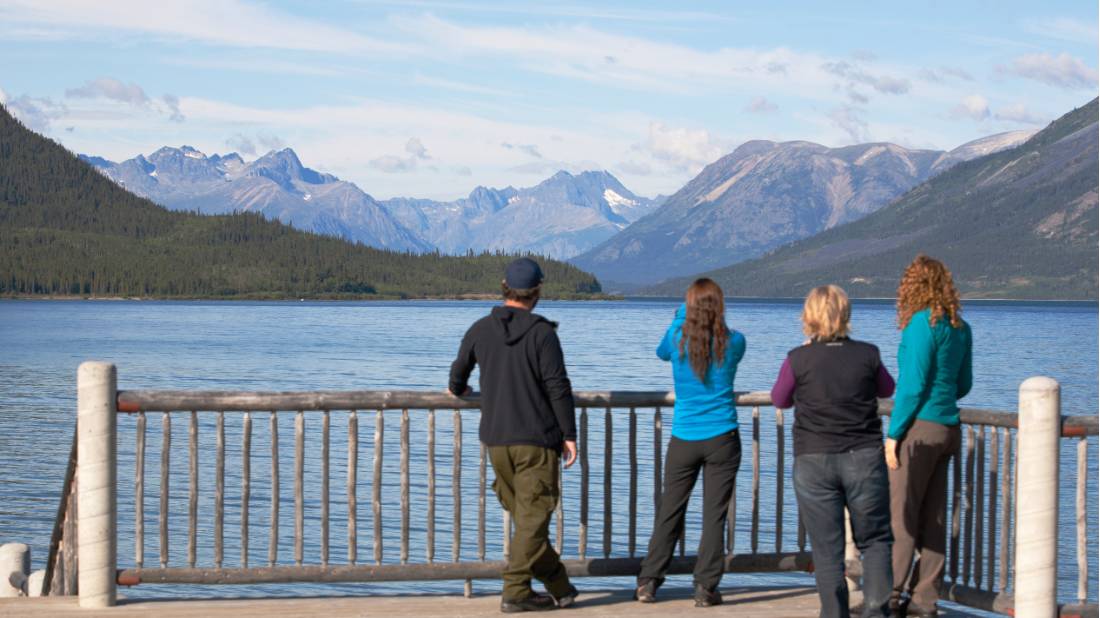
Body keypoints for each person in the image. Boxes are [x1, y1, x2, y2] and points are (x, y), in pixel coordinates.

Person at [448, 257, 579, 613]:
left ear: (505, 287)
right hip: (536, 440)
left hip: (496, 441)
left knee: (527, 520)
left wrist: (458, 389)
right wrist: (569, 434)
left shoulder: (480, 329)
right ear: (536, 292)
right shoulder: (542, 333)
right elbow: (558, 387)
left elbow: (458, 373)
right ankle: (516, 590)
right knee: (532, 519)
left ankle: (560, 587)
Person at [770, 285, 896, 618]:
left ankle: (834, 614)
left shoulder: (798, 358)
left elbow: (780, 398)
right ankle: (876, 610)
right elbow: (888, 389)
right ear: (846, 314)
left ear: (808, 316)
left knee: (827, 550)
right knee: (876, 540)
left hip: (813, 459)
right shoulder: (868, 354)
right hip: (864, 456)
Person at [635, 278, 746, 607]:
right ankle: (705, 588)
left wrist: (680, 315)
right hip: (723, 437)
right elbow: (722, 341)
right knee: (715, 515)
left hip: (684, 436)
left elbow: (660, 352)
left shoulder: (677, 338)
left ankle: (648, 582)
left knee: (671, 509)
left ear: (689, 305)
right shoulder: (735, 342)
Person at [886, 255, 972, 618]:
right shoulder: (960, 326)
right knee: (933, 518)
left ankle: (887, 594)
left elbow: (911, 386)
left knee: (901, 515)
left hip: (919, 430)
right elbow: (963, 384)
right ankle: (925, 600)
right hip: (948, 429)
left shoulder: (922, 324)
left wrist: (893, 435)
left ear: (912, 287)